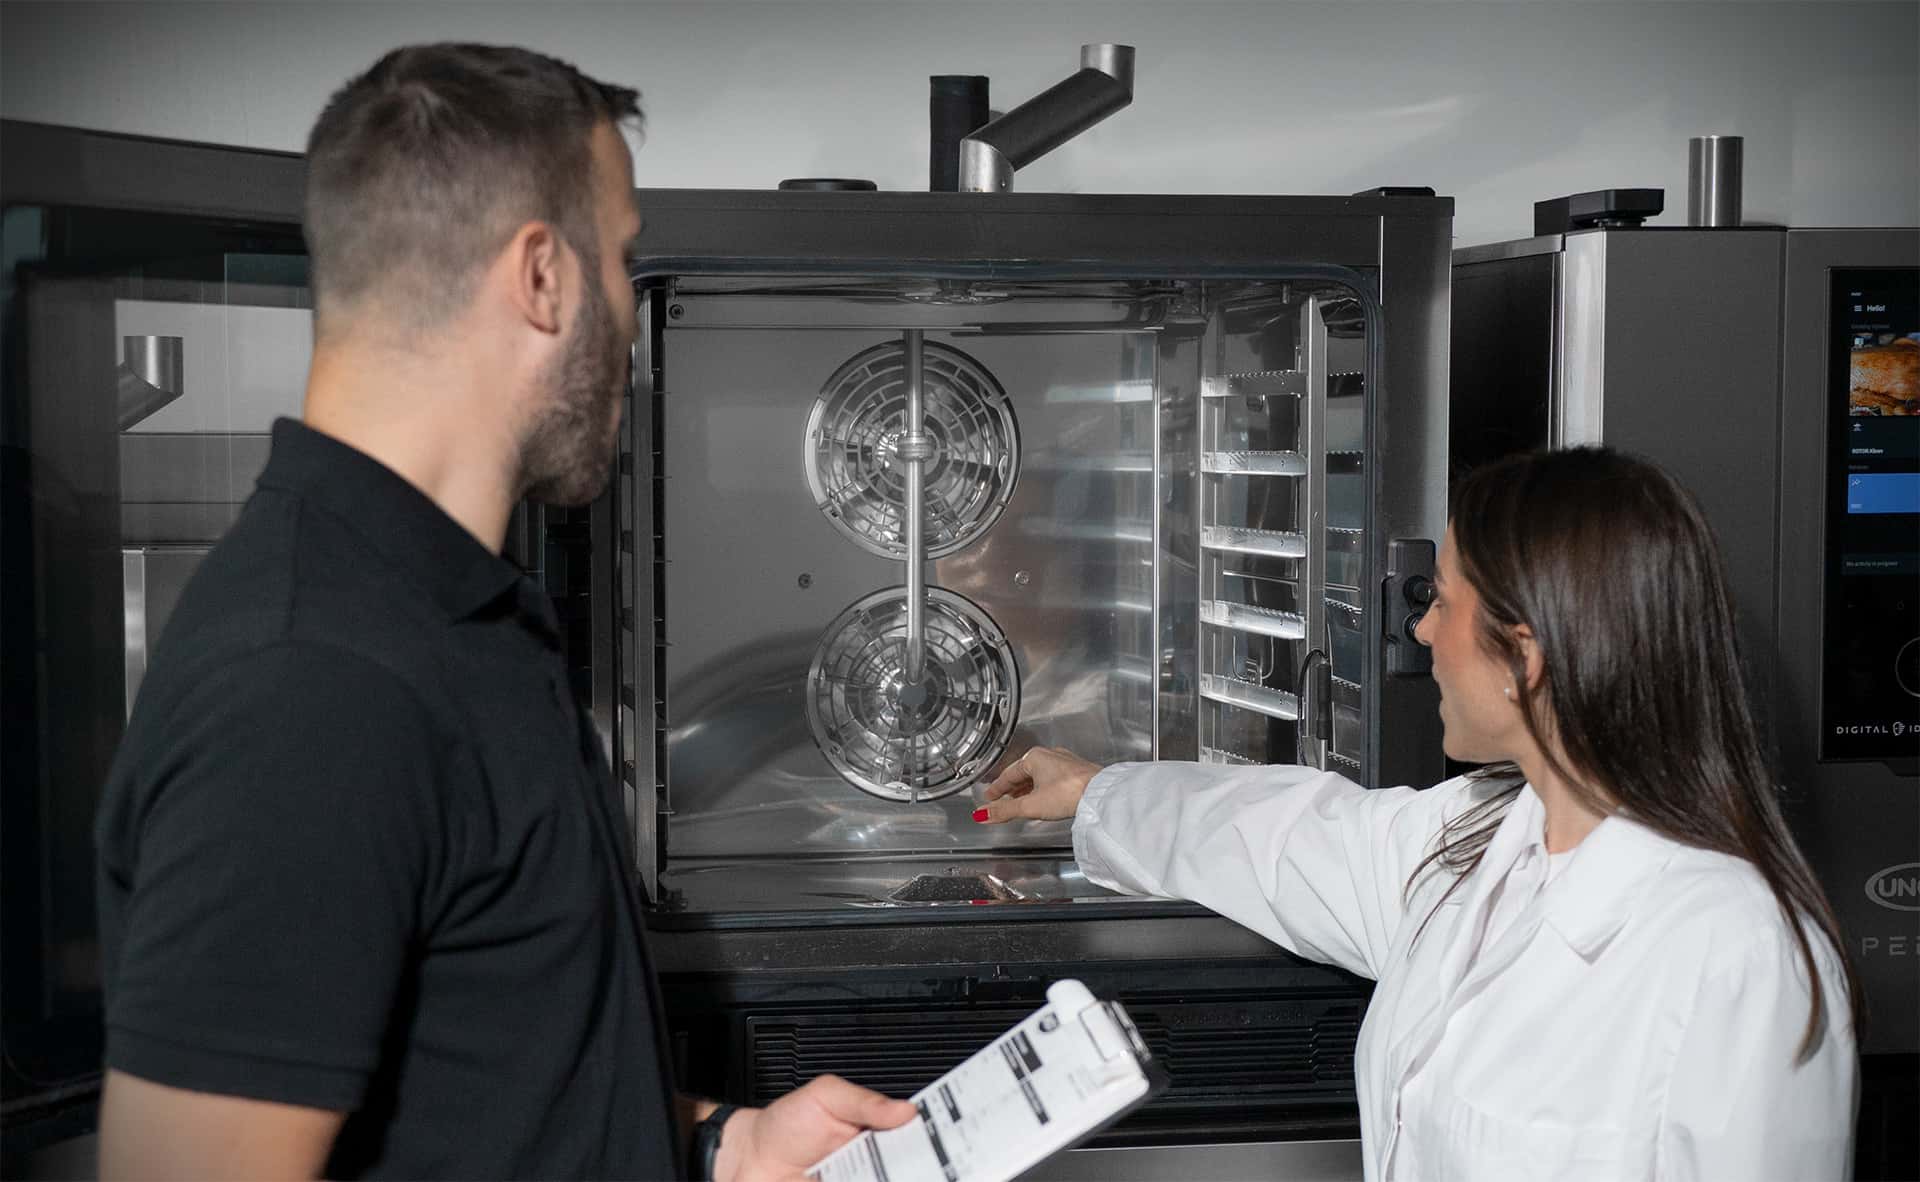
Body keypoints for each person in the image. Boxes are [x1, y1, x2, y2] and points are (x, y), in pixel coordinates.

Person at [93, 44, 913, 1181]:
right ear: (541, 277)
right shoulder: (315, 687)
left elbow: (485, 1087)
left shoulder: (453, 617)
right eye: (621, 262)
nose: (630, 313)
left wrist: (726, 1144)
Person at [979, 447, 1860, 1181]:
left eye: (1440, 599)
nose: (1424, 633)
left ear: (1526, 654)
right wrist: (1097, 790)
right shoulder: (1479, 845)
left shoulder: (1732, 953)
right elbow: (1287, 837)